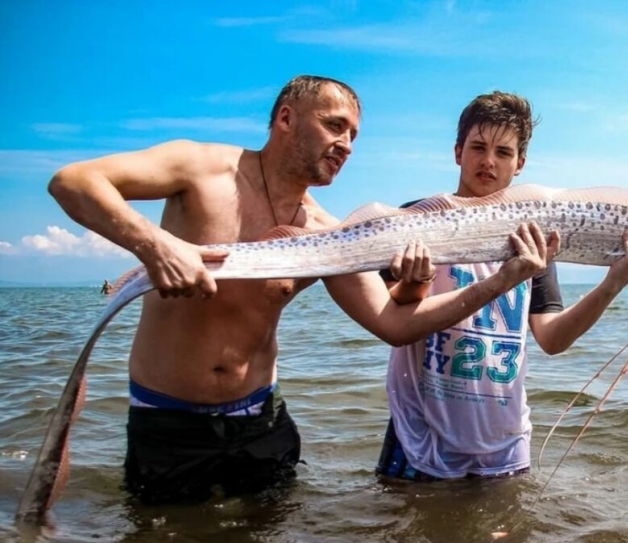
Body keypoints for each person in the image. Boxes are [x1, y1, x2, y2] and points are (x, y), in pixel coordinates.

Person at [47, 76, 550, 505]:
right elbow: (74, 182)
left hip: (262, 422)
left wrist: (497, 280)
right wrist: (157, 246)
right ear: (286, 118)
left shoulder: (326, 234)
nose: (346, 144)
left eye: (353, 135)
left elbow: (393, 324)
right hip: (168, 420)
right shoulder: (200, 168)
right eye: (334, 126)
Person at [375, 91, 628, 481]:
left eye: (503, 152)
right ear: (458, 152)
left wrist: (613, 283)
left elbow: (552, 339)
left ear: (520, 163)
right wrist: (414, 282)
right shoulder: (419, 219)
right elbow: (389, 318)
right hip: (419, 438)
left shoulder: (533, 239)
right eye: (478, 147)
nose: (488, 162)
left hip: (505, 447)